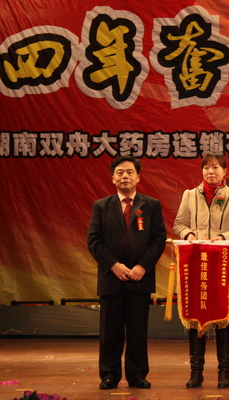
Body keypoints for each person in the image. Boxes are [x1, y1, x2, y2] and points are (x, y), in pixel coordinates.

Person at [173, 151, 229, 389]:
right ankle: (196, 372)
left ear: (224, 171)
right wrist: (188, 234)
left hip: (222, 266)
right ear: (202, 171)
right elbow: (179, 224)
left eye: (216, 167)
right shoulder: (189, 195)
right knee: (195, 320)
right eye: (207, 167)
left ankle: (223, 373)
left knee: (223, 320)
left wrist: (224, 237)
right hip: (195, 264)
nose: (211, 171)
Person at [88, 156, 166, 390]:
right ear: (112, 178)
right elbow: (94, 241)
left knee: (137, 331)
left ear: (138, 177)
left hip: (139, 278)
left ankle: (137, 374)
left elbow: (158, 239)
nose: (125, 176)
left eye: (130, 172)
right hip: (111, 278)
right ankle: (109, 375)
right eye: (120, 172)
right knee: (109, 332)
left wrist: (142, 266)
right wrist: (114, 265)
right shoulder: (101, 206)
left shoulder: (151, 205)